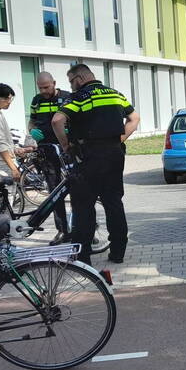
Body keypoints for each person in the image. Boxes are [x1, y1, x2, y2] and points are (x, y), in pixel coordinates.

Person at [51, 64, 140, 265]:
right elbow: (134, 118)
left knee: (83, 206)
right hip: (114, 155)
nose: (71, 86)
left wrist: (65, 145)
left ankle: (83, 258)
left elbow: (57, 121)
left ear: (79, 79)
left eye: (71, 82)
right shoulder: (115, 94)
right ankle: (118, 252)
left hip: (88, 156)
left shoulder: (80, 96)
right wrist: (120, 138)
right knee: (114, 203)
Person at [28, 72, 72, 244]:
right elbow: (32, 121)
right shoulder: (36, 101)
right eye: (40, 88)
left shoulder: (68, 98)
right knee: (54, 192)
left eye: (46, 87)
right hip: (47, 150)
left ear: (54, 83)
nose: (43, 91)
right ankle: (62, 230)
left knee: (77, 189)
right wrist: (32, 131)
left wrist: (70, 131)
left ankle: (82, 227)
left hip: (67, 148)